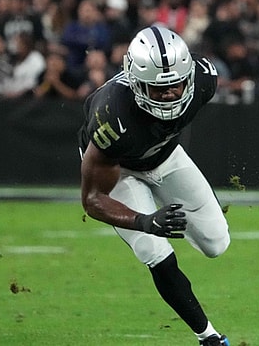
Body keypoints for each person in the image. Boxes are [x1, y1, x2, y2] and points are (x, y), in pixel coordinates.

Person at [78, 26, 230, 346]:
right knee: (153, 249)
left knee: (216, 244)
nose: (171, 94)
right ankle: (209, 337)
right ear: (135, 83)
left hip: (165, 155)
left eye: (176, 85)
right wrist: (144, 221)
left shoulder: (204, 80)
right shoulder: (112, 117)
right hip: (120, 168)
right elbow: (93, 199)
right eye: (158, 89)